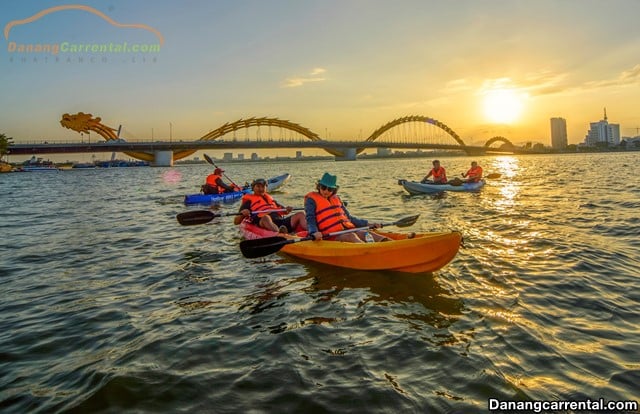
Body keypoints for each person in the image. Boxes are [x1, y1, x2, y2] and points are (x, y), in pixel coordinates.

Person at [305, 172, 389, 243]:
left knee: (365, 233)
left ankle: (389, 244)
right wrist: (314, 232)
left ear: (333, 190)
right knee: (351, 236)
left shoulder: (336, 199)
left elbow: (349, 218)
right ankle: (369, 251)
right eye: (323, 188)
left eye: (330, 189)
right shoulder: (311, 200)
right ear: (319, 186)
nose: (326, 191)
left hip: (348, 229)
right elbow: (310, 219)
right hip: (331, 235)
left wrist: (369, 224)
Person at [234, 178, 307, 233]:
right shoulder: (248, 201)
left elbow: (284, 211)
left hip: (280, 222)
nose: (261, 189)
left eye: (263, 187)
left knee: (300, 214)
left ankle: (313, 232)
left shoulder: (271, 200)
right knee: (266, 218)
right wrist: (243, 214)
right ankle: (280, 234)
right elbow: (236, 221)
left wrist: (287, 209)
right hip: (264, 222)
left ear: (266, 188)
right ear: (253, 188)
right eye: (258, 186)